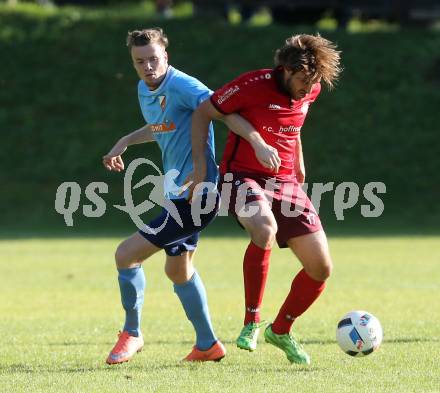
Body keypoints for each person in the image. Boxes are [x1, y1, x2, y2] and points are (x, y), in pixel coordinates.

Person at [190, 34, 342, 365]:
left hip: (285, 180)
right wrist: (203, 171)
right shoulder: (252, 85)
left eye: (313, 81)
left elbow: (294, 124)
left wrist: (299, 160)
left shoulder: (310, 88)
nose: (308, 87)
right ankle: (251, 322)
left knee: (320, 267)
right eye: (303, 79)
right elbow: (206, 112)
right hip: (241, 175)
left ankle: (282, 330)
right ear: (286, 70)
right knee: (264, 228)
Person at [102, 27, 226, 364]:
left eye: (153, 59)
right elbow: (162, 127)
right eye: (139, 61)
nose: (147, 66)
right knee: (178, 271)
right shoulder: (145, 89)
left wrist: (221, 163)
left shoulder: (184, 86)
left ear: (166, 56)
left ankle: (132, 333)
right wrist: (126, 140)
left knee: (126, 254)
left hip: (197, 197)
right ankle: (208, 344)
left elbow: (224, 107)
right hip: (177, 197)